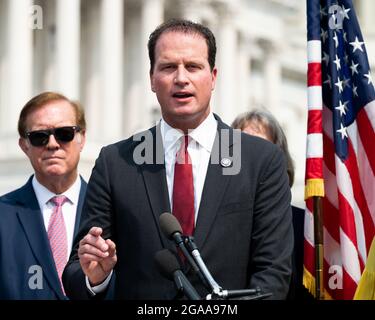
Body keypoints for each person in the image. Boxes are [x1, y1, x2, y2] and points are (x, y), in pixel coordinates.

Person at [63, 19, 293, 300]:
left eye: (193, 67)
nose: (181, 78)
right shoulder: (116, 163)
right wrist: (95, 276)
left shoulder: (260, 160)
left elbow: (273, 274)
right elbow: (76, 272)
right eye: (168, 67)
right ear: (151, 79)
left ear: (213, 77)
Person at [0, 92, 87, 299]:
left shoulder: (114, 210)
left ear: (82, 138)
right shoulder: (3, 214)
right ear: (24, 146)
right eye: (39, 136)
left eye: (64, 133)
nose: (52, 144)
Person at [232, 109, 313, 300]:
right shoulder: (215, 219)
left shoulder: (304, 226)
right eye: (242, 146)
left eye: (260, 147)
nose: (250, 158)